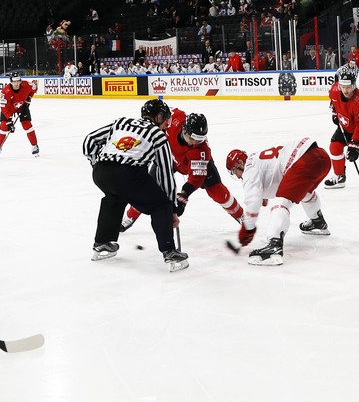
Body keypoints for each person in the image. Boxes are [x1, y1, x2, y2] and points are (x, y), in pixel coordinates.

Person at [82, 98, 189, 272]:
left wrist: (98, 165)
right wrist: (171, 208)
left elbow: (89, 141)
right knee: (160, 205)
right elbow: (165, 173)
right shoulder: (157, 134)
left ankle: (102, 243)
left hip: (101, 173)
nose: (167, 124)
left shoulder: (121, 122)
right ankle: (170, 251)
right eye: (166, 119)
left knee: (114, 197)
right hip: (128, 175)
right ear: (159, 117)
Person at [121, 108, 246, 233]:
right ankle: (130, 217)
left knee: (216, 190)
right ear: (184, 130)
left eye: (200, 139)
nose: (195, 143)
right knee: (147, 188)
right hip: (168, 157)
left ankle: (240, 215)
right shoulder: (175, 118)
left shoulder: (201, 150)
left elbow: (196, 178)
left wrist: (184, 194)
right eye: (193, 139)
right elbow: (158, 116)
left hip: (190, 164)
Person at [225, 134, 334, 266]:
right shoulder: (256, 161)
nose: (237, 176)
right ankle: (317, 221)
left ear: (240, 164)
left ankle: (274, 245)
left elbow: (252, 202)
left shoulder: (248, 171)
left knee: (281, 201)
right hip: (322, 158)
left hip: (306, 160)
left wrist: (247, 229)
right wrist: (262, 196)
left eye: (234, 171)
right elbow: (273, 174)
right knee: (304, 191)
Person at [0, 72, 39, 163]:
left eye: (18, 81)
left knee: (27, 124)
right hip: (9, 109)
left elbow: (35, 86)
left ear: (20, 81)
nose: (16, 84)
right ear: (11, 82)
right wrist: (9, 121)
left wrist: (29, 98)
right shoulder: (5, 92)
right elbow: (4, 108)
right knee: (4, 127)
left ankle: (35, 146)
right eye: (14, 81)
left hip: (22, 106)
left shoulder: (26, 85)